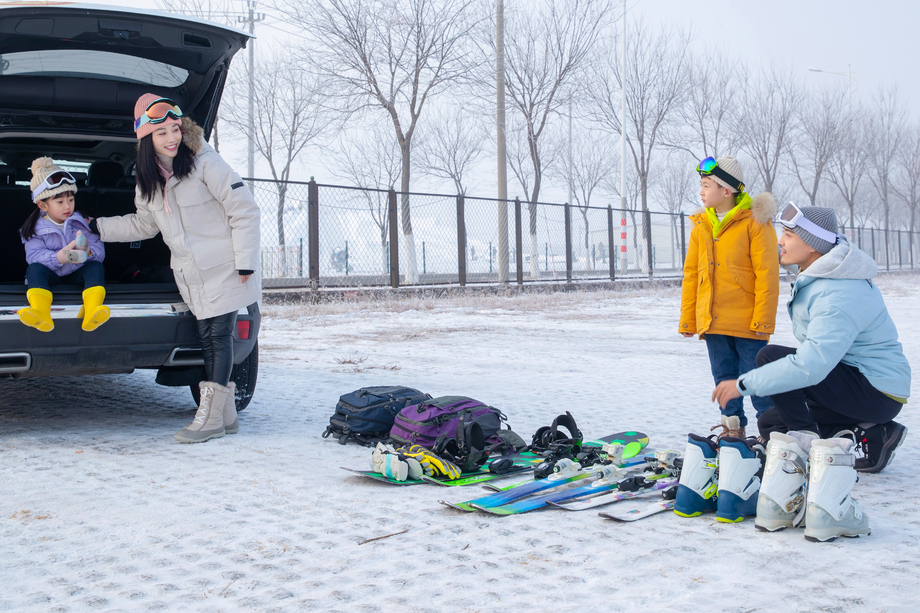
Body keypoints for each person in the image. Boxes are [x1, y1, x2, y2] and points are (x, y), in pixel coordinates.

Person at [90, 94, 260, 443]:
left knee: (217, 336)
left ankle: (210, 418)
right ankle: (226, 417)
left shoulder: (205, 163)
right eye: (161, 132)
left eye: (174, 128)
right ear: (145, 139)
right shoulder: (149, 177)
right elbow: (144, 226)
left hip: (227, 264)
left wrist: (245, 261)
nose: (171, 138)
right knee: (209, 338)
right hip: (190, 272)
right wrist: (97, 227)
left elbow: (245, 210)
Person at [712, 204, 910, 474]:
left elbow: (810, 365)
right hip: (857, 382)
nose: (780, 241)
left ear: (813, 245)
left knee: (769, 358)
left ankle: (805, 448)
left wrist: (743, 384)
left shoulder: (836, 292)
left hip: (876, 390)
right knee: (772, 424)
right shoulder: (824, 276)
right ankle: (876, 433)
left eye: (789, 235)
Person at [679, 155, 780, 439]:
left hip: (749, 323)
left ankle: (771, 433)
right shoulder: (701, 225)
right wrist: (689, 318)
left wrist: (762, 320)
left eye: (706, 184)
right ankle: (732, 430)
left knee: (756, 381)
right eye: (701, 184)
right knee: (724, 380)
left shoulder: (755, 223)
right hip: (713, 323)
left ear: (726, 190)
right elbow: (691, 275)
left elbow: (767, 276)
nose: (701, 191)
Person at [18, 157, 109, 333]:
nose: (67, 206)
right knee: (34, 270)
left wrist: (88, 252)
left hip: (76, 275)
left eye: (71, 199)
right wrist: (59, 257)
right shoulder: (34, 229)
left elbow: (100, 251)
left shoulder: (82, 222)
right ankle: (40, 312)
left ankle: (92, 311)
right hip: (49, 276)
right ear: (43, 205)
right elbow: (33, 257)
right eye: (60, 202)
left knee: (95, 267)